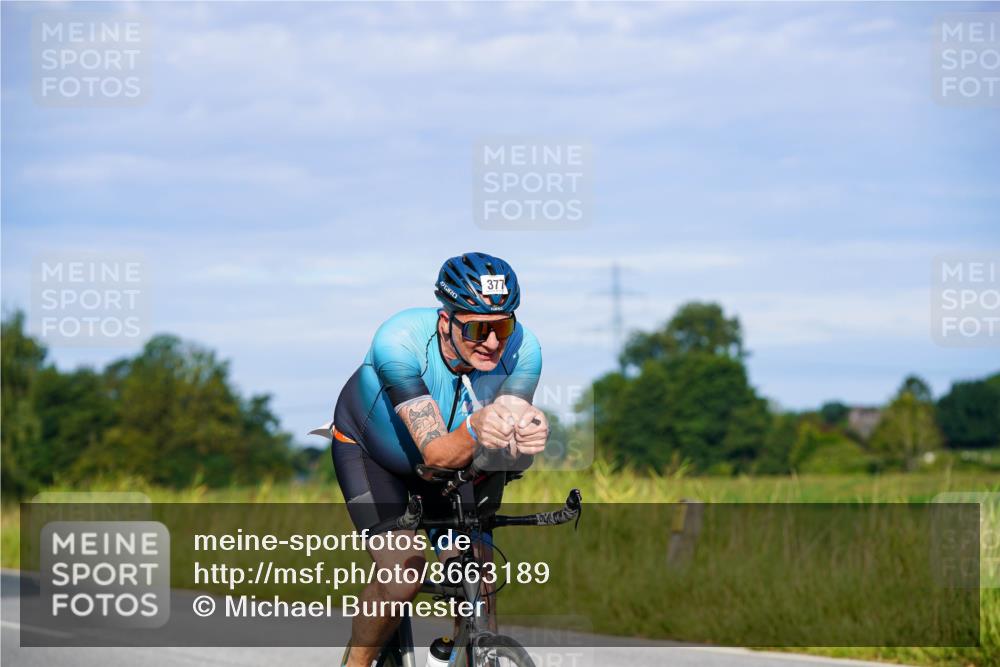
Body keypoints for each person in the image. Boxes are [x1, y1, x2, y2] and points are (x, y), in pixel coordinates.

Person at [330, 252, 548, 667]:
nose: (492, 343)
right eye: (477, 329)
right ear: (445, 321)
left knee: (477, 581)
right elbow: (434, 451)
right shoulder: (399, 341)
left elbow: (506, 444)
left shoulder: (525, 350)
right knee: (402, 575)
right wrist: (481, 425)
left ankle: (462, 654)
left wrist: (529, 437)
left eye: (503, 326)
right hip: (374, 456)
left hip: (456, 461)